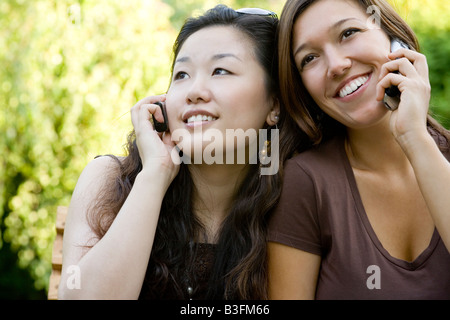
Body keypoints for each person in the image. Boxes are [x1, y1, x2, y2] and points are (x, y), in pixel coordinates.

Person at [58, 5, 285, 300]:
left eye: (220, 70)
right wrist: (155, 174)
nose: (194, 90)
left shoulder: (296, 194)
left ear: (274, 105)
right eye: (182, 74)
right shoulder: (108, 179)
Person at [268, 0, 450, 299]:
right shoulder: (306, 182)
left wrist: (414, 137)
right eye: (310, 58)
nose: (337, 65)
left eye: (349, 33)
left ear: (395, 37)